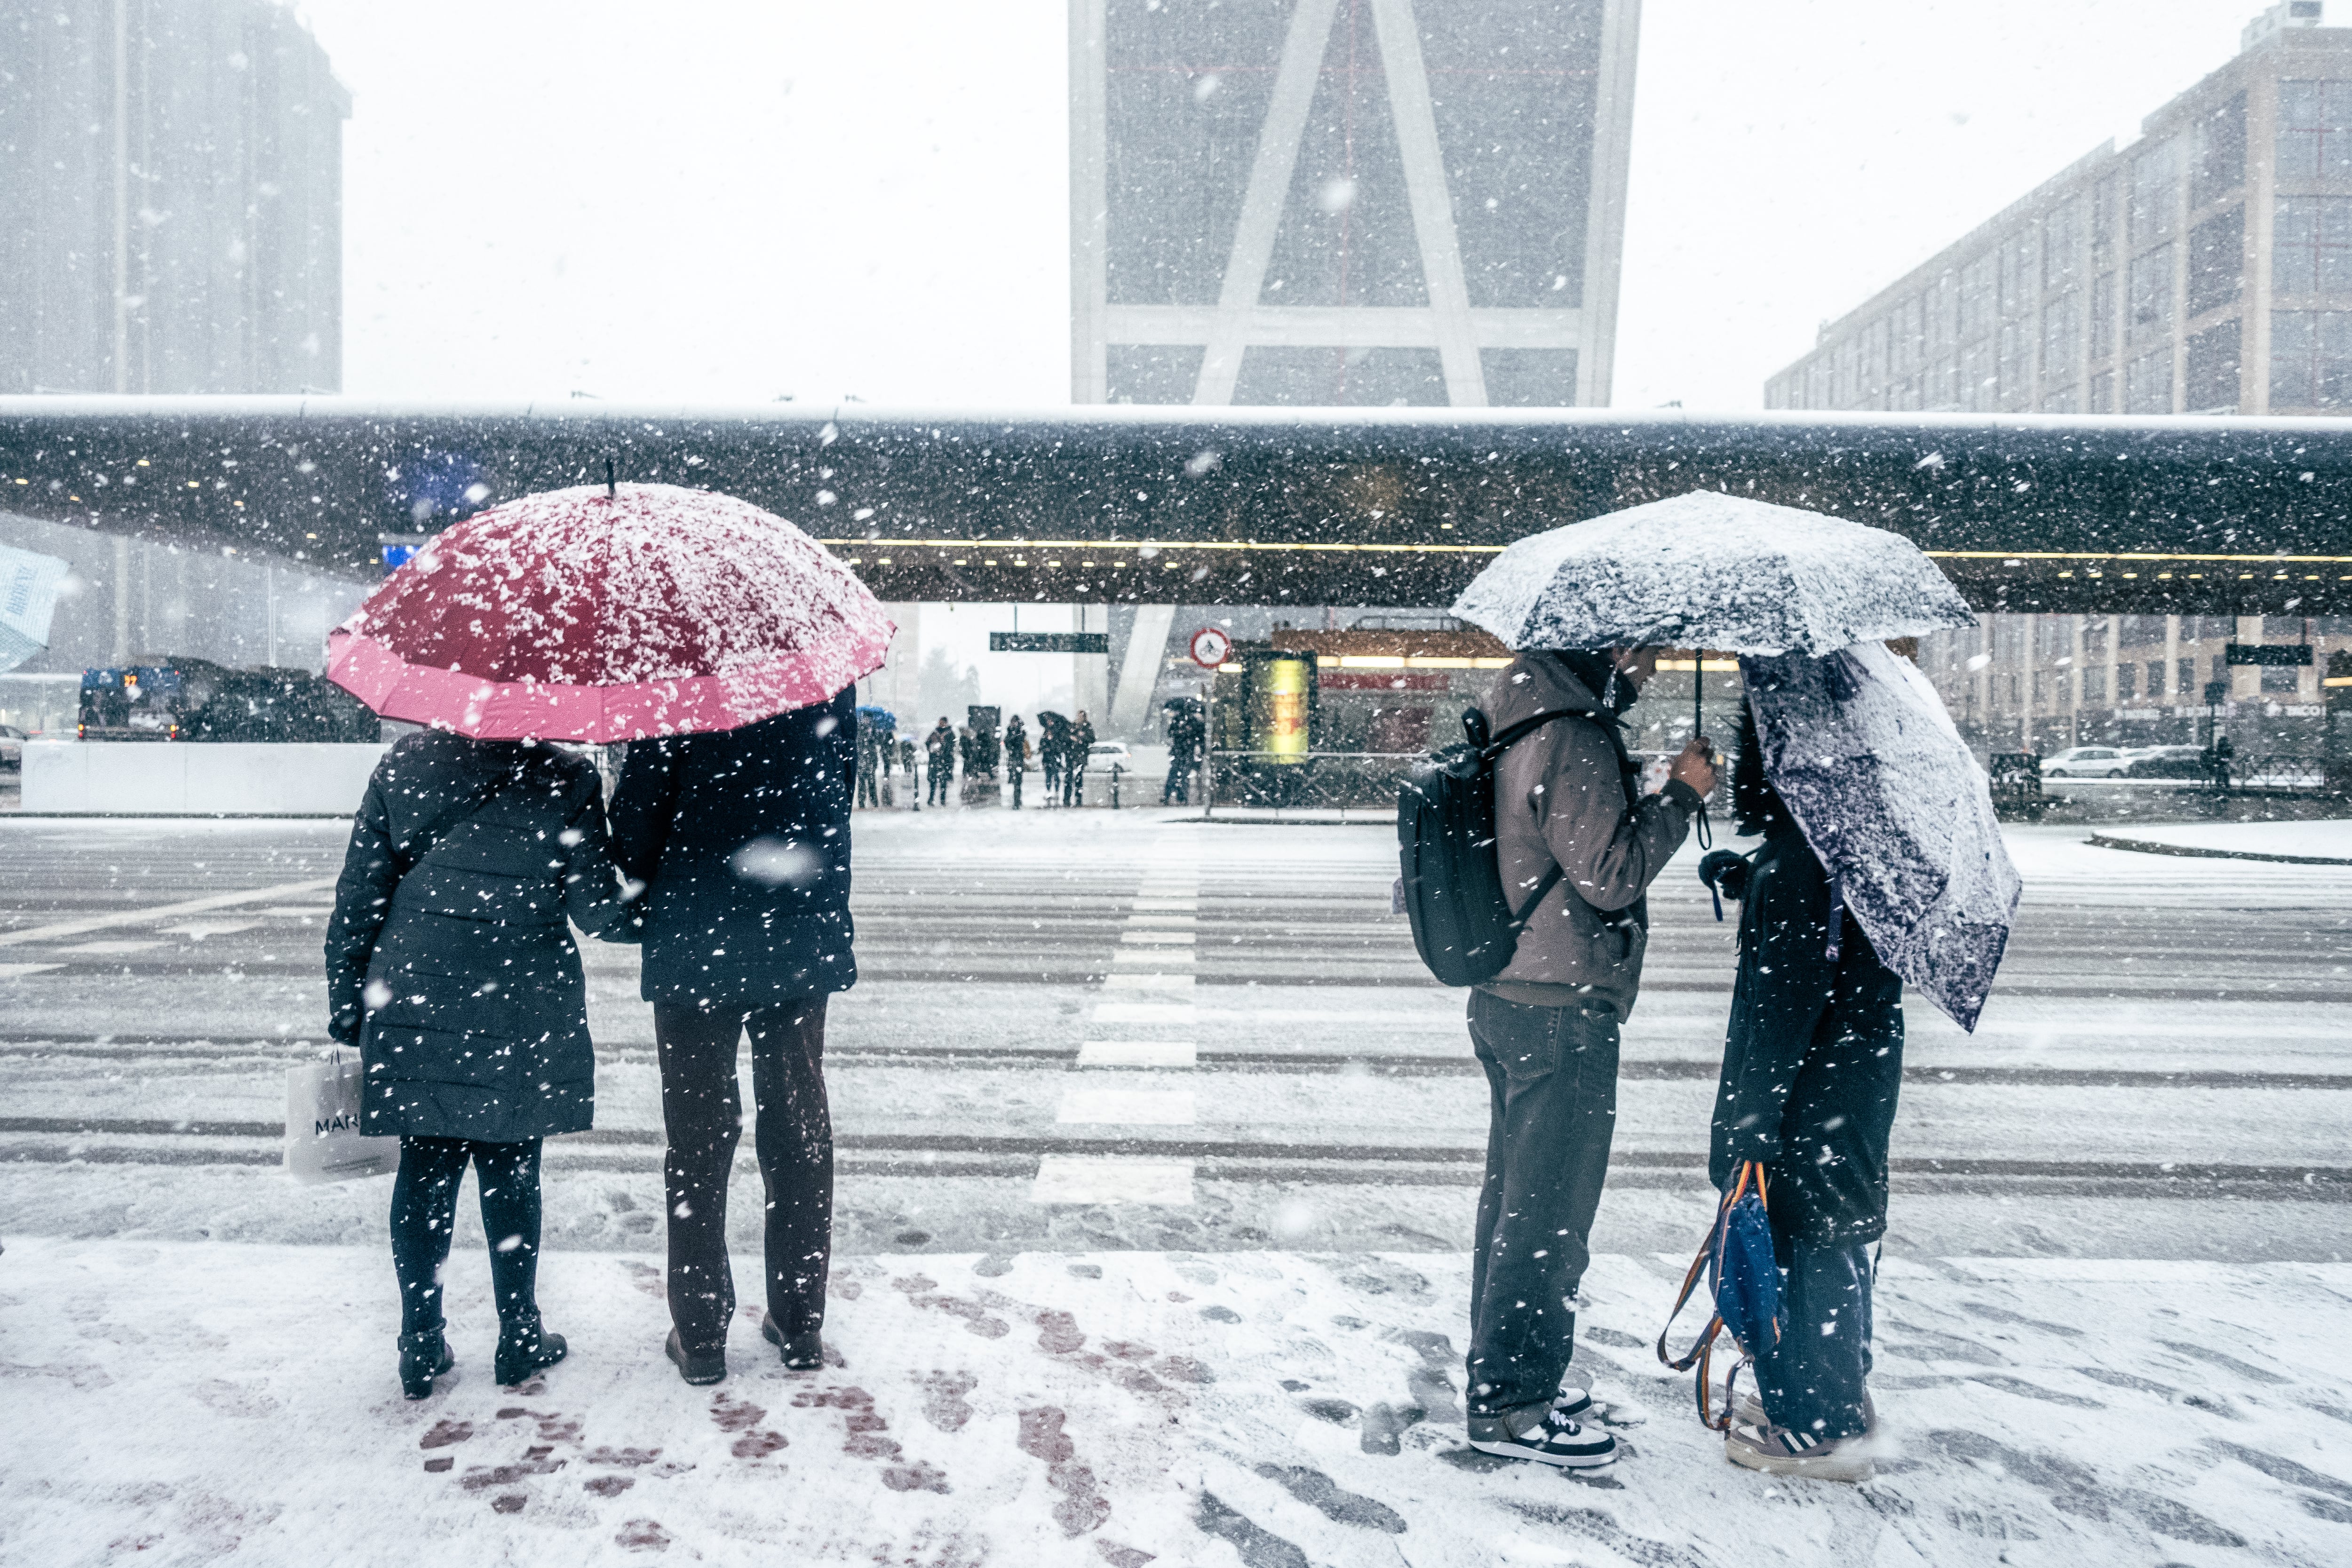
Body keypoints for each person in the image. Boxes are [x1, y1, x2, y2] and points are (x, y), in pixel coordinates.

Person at [1464, 648, 1714, 1469]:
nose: (1648, 666)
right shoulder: (1573, 733)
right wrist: (1682, 796)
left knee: (1515, 1207)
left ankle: (1510, 1374)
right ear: (1603, 647)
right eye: (1641, 649)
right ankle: (1513, 1403)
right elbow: (1609, 874)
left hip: (1510, 989)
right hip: (1560, 1002)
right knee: (1546, 1218)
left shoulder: (1521, 714)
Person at [326, 730, 629, 1400]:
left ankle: (420, 1340)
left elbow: (360, 895)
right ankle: (519, 1334)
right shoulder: (567, 779)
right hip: (520, 993)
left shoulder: (405, 764)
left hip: (416, 985)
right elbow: (600, 912)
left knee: (426, 1167)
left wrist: (348, 1002)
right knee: (512, 1163)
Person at [607, 690, 858, 1386]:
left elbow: (635, 822)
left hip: (696, 936)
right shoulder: (820, 671)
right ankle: (801, 1319)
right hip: (799, 932)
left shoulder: (677, 675)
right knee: (799, 1123)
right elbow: (839, 788)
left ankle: (702, 1331)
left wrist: (649, 870)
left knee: (697, 1134)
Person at [1700, 700, 1902, 1483]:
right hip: (1852, 1082)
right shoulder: (1848, 843)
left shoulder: (1800, 867)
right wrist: (1755, 873)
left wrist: (1750, 1118)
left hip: (1808, 1093)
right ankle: (1838, 1400)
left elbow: (1781, 1013)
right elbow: (1835, 952)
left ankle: (1819, 1427)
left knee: (1805, 1238)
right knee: (1835, 1234)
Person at [1163, 701, 1204, 805]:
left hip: (1183, 752)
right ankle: (1180, 796)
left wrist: (1183, 733)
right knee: (1181, 775)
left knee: (1177, 774)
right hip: (1184, 752)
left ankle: (1175, 796)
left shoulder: (1183, 720)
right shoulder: (1189, 721)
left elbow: (1171, 733)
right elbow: (1199, 736)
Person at [1066, 710, 1096, 806]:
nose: (1080, 718)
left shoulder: (1087, 726)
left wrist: (1084, 737)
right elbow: (1067, 737)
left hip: (1081, 755)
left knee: (1079, 777)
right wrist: (1072, 737)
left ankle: (1078, 799)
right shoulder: (1073, 725)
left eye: (1082, 717)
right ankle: (1067, 798)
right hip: (1072, 754)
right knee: (1069, 776)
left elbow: (1092, 739)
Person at [925, 716, 955, 806]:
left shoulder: (950, 733)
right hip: (935, 760)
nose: (940, 724)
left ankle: (942, 800)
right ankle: (931, 799)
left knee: (943, 782)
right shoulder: (935, 732)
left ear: (946, 723)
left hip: (944, 761)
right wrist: (932, 746)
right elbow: (927, 743)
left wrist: (943, 745)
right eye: (940, 722)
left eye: (942, 723)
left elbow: (951, 747)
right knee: (933, 781)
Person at [855, 712, 881, 809]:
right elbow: (858, 742)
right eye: (866, 718)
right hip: (862, 759)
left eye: (869, 719)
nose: (868, 720)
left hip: (871, 759)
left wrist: (873, 735)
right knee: (862, 782)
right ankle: (862, 802)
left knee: (872, 782)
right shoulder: (859, 728)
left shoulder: (874, 729)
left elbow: (879, 741)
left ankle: (874, 801)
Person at [1004, 714, 1029, 808]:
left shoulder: (1021, 732)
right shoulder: (1010, 732)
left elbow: (1019, 743)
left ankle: (1017, 801)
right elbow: (1007, 743)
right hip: (1014, 759)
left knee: (1018, 781)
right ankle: (1017, 801)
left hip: (1018, 759)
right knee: (1016, 781)